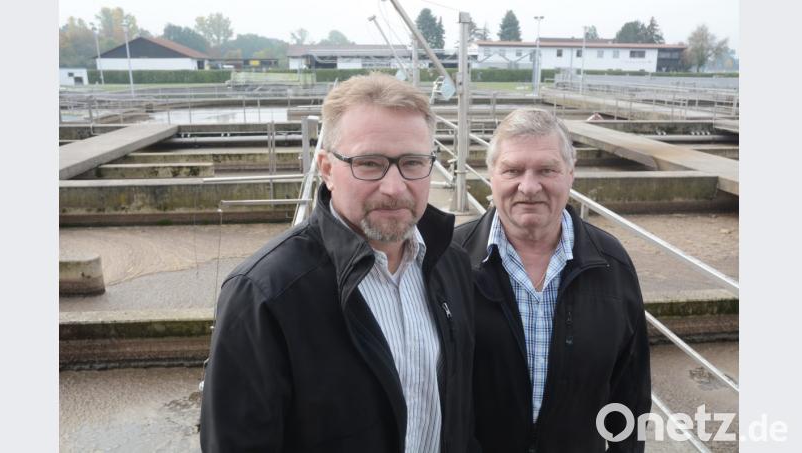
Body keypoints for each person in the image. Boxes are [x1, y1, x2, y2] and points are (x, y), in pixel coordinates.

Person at [200, 73, 477, 453]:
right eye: (369, 163)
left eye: (413, 163)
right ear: (327, 168)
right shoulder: (265, 294)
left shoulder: (451, 264)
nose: (395, 187)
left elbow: (461, 413)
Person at [453, 108, 651, 452]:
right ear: (491, 175)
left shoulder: (610, 263)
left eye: (546, 170)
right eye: (513, 170)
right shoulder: (450, 260)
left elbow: (631, 394)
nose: (529, 187)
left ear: (570, 174)